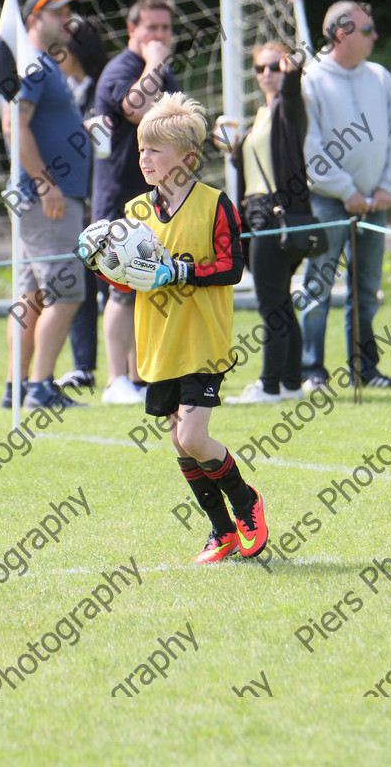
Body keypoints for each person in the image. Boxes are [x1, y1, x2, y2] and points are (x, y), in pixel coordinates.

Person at [84, 92, 268, 563]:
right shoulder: (135, 213)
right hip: (158, 342)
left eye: (155, 151)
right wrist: (100, 263)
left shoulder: (215, 204)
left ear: (187, 158)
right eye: (142, 150)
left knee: (192, 436)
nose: (144, 158)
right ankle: (221, 531)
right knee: (177, 439)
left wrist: (181, 272)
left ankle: (247, 502)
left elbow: (232, 268)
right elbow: (127, 281)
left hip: (203, 339)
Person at [300, 0, 391, 391]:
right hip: (328, 201)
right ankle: (311, 370)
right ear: (342, 34)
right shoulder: (310, 80)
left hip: (374, 203)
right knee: (319, 285)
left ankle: (367, 370)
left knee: (366, 289)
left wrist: (387, 186)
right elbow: (310, 148)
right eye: (367, 30)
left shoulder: (381, 78)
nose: (375, 36)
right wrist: (346, 191)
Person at [0, 0, 91, 410]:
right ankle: (39, 388)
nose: (65, 20)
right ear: (33, 21)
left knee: (32, 296)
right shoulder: (36, 65)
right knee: (66, 292)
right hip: (46, 197)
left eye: (67, 12)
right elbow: (13, 124)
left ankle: (17, 388)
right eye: (56, 14)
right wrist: (46, 182)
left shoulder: (41, 66)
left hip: (38, 195)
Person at [92, 0, 180, 404]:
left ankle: (140, 377)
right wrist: (156, 60)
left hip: (155, 201)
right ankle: (115, 381)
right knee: (121, 290)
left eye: (165, 28)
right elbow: (136, 107)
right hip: (118, 202)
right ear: (132, 29)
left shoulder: (164, 72)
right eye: (151, 27)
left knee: (147, 285)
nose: (159, 35)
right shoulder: (122, 69)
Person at [221, 41, 309, 404]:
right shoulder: (260, 115)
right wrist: (231, 149)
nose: (268, 74)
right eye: (261, 68)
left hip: (276, 216)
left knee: (270, 303)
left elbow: (291, 90)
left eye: (275, 66)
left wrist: (294, 69)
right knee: (281, 302)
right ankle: (290, 384)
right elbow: (253, 172)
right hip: (258, 213)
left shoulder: (289, 108)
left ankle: (269, 385)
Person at [55, 16, 109, 392]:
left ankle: (133, 371)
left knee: (116, 287)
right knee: (80, 284)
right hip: (75, 201)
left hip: (106, 199)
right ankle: (83, 367)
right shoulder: (63, 89)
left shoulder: (102, 88)